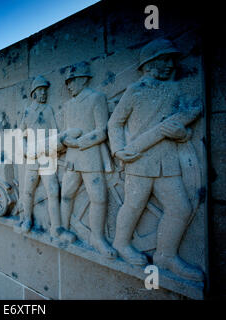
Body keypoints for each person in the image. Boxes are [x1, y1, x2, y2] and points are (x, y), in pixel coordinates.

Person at [107, 39, 203, 281]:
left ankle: (166, 255)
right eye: (164, 59)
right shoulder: (135, 91)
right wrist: (118, 150)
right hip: (139, 161)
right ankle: (121, 243)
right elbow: (115, 123)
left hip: (167, 162)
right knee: (133, 205)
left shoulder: (176, 90)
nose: (170, 64)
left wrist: (183, 135)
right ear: (149, 63)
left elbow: (186, 125)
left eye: (171, 59)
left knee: (181, 209)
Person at [59, 61, 117, 258]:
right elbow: (65, 132)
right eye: (67, 82)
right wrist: (67, 140)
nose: (69, 86)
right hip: (72, 159)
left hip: (91, 157)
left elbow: (102, 130)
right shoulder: (67, 105)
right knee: (66, 194)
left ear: (83, 79)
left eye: (71, 81)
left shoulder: (96, 98)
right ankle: (62, 229)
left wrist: (80, 142)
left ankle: (97, 238)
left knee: (98, 197)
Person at [16, 75, 61, 237]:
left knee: (53, 190)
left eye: (45, 91)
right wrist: (27, 149)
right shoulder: (28, 112)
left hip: (47, 157)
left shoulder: (48, 110)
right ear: (34, 93)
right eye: (41, 90)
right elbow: (19, 135)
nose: (44, 93)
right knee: (28, 191)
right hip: (32, 159)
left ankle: (56, 227)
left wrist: (51, 147)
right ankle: (27, 219)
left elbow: (55, 132)